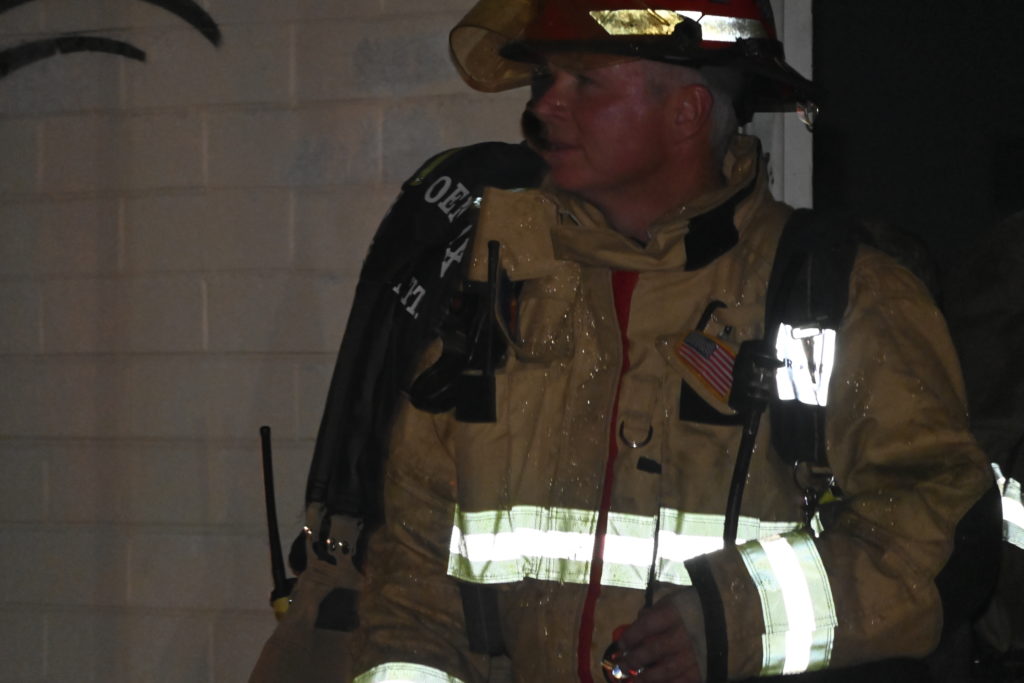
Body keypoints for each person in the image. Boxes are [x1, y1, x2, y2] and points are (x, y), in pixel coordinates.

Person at [340, 1, 997, 682]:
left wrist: (736, 619)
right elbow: (415, 568)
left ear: (686, 112)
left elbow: (944, 526)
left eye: (583, 81)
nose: (542, 109)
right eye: (543, 80)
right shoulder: (508, 297)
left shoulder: (841, 296)